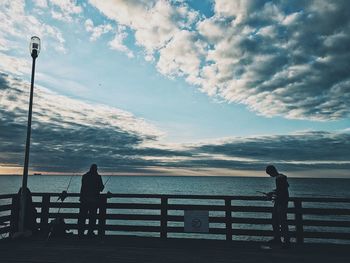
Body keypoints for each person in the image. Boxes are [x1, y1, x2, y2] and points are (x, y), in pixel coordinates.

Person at [265, 165, 290, 249]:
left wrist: (271, 194)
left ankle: (286, 241)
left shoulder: (279, 178)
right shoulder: (282, 177)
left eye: (269, 173)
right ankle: (278, 239)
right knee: (275, 221)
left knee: (282, 222)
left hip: (281, 203)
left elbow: (281, 191)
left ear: (272, 171)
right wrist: (273, 192)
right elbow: (282, 189)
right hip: (279, 202)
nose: (270, 175)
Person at [78, 164, 104, 237]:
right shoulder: (98, 177)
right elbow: (101, 188)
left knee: (82, 217)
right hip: (94, 201)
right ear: (96, 169)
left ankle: (80, 232)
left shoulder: (84, 176)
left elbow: (83, 187)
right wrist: (102, 186)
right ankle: (90, 232)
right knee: (92, 217)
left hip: (84, 200)